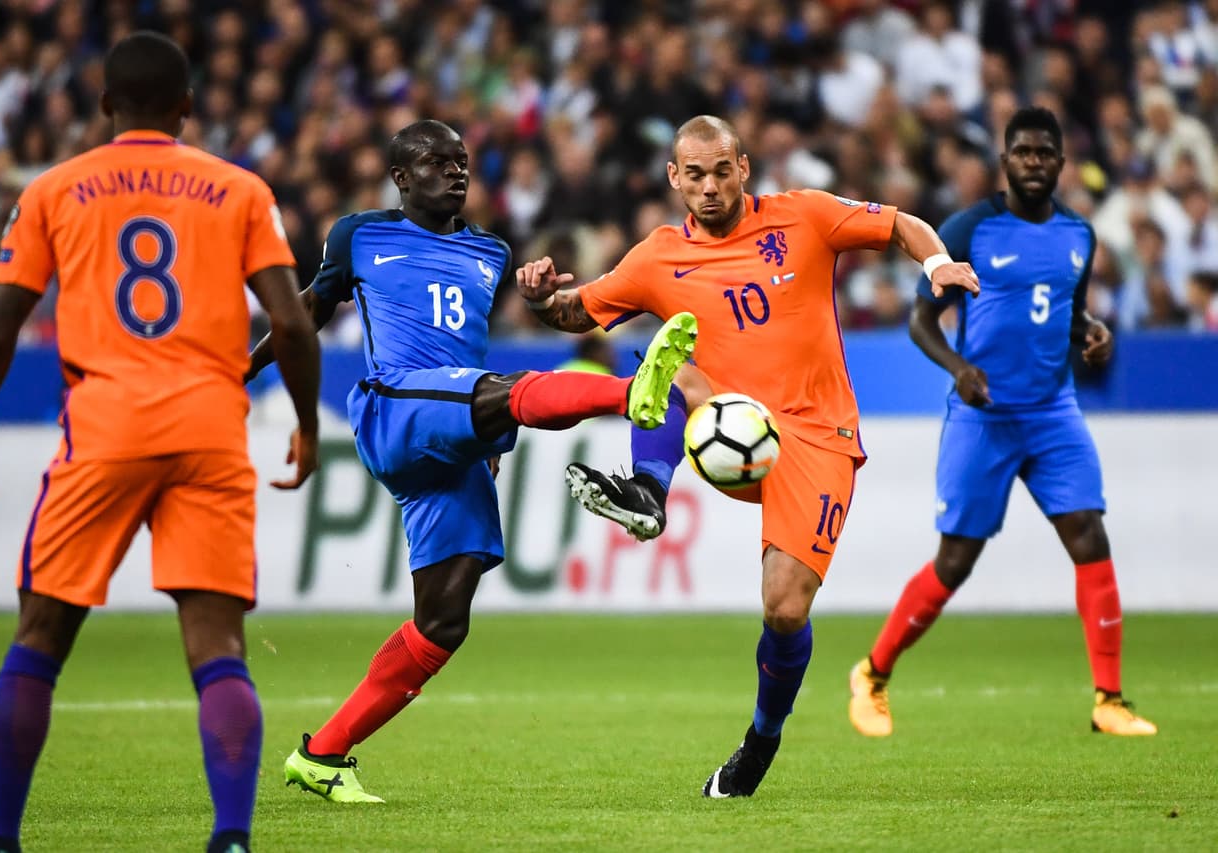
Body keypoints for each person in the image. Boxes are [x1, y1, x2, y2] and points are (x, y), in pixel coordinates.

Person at [515, 114, 981, 798]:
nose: (708, 187)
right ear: (673, 178)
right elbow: (576, 312)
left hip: (819, 437)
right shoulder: (656, 256)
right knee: (667, 356)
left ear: (744, 169)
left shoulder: (806, 218)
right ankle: (648, 488)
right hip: (728, 425)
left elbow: (902, 224)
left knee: (785, 608)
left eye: (720, 171)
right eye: (693, 175)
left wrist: (937, 261)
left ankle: (761, 739)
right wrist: (538, 298)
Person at [0, 32, 322, 853]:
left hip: (104, 427)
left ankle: (1, 841)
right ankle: (231, 839)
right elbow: (290, 321)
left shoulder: (54, 190)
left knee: (39, 638)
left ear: (106, 105)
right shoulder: (240, 189)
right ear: (188, 105)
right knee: (218, 647)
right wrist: (308, 422)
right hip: (209, 429)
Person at [244, 119, 696, 804]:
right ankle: (631, 394)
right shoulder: (359, 234)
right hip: (394, 408)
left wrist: (542, 295)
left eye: (460, 161)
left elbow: (513, 328)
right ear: (400, 177)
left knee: (444, 620)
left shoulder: (491, 251)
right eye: (433, 161)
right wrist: (237, 377)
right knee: (507, 393)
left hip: (456, 434)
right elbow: (300, 313)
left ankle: (324, 753)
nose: (454, 171)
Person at [847, 107, 1158, 738]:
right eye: (1024, 152)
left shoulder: (1078, 234)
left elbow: (1065, 311)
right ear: (1005, 161)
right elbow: (920, 321)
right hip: (982, 417)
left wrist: (1091, 332)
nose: (1035, 163)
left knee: (1090, 539)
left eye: (1046, 153)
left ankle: (1109, 699)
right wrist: (958, 369)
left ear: (1062, 163)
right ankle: (873, 673)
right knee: (956, 561)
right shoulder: (968, 230)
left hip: (1052, 412)